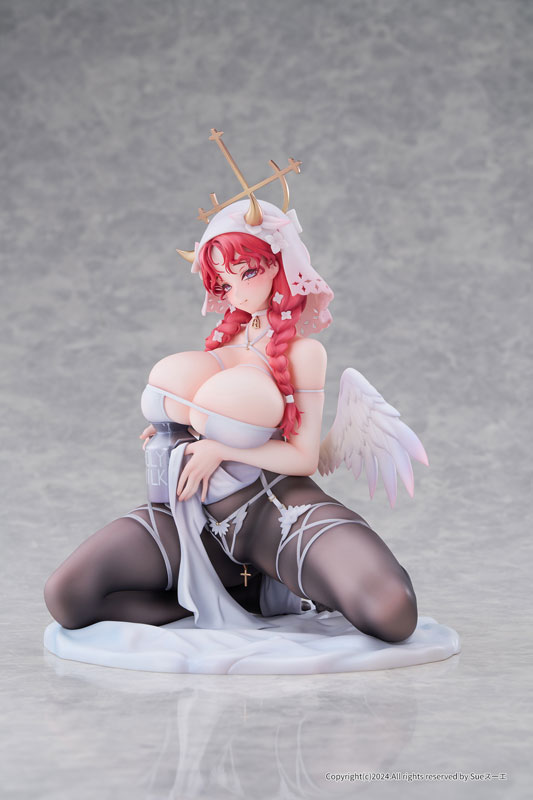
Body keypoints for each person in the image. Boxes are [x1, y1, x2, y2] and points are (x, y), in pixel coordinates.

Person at [44, 194, 427, 646]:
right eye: (224, 283)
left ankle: (268, 584)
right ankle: (232, 599)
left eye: (246, 273)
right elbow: (206, 414)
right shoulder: (225, 341)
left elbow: (303, 457)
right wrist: (174, 428)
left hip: (275, 510)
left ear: (279, 264)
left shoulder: (304, 352)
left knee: (391, 611)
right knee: (67, 597)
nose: (237, 292)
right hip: (192, 516)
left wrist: (221, 449)